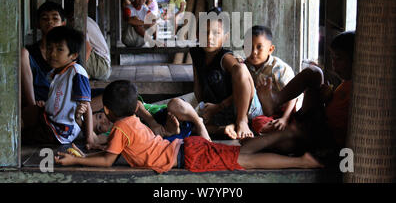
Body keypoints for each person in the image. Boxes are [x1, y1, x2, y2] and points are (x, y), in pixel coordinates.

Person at [55, 80, 323, 172]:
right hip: (186, 149)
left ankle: (302, 162)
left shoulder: (120, 130)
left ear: (109, 111)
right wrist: (83, 155)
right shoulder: (133, 121)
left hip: (189, 155)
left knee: (246, 161)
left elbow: (106, 161)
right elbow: (105, 154)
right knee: (241, 155)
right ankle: (288, 138)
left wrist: (75, 162)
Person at [246, 31, 355, 157]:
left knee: (315, 73)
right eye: (332, 58)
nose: (333, 64)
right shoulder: (345, 83)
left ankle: (286, 131)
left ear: (354, 58)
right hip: (316, 128)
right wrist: (326, 98)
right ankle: (276, 106)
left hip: (325, 137)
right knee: (313, 75)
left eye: (339, 58)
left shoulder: (358, 88)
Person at [22, 26, 102, 149]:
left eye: (59, 49)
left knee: (19, 132)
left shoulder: (77, 72)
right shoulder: (57, 73)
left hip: (60, 130)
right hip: (51, 122)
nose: (52, 54)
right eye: (49, 48)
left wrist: (89, 139)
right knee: (29, 112)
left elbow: (87, 107)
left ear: (73, 55)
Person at [190, 8, 264, 140]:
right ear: (196, 34)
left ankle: (241, 122)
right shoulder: (196, 53)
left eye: (216, 33)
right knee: (194, 127)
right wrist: (203, 108)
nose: (209, 37)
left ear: (225, 37)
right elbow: (198, 85)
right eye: (204, 32)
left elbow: (244, 82)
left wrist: (219, 107)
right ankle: (227, 128)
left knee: (241, 69)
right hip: (220, 110)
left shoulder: (225, 58)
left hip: (244, 107)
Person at [244, 25, 297, 134]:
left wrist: (285, 119)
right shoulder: (244, 67)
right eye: (249, 47)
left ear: (270, 49)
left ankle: (282, 130)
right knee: (258, 122)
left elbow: (294, 95)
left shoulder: (279, 69)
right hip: (263, 114)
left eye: (259, 47)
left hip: (283, 112)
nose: (254, 52)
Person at [91, 94, 211, 142]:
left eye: (99, 116)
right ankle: (173, 132)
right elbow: (96, 139)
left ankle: (198, 123)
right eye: (99, 126)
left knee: (175, 104)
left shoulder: (118, 111)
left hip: (169, 114)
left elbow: (137, 104)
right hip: (167, 137)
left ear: (105, 110)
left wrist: (152, 122)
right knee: (156, 140)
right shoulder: (112, 133)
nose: (103, 121)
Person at [21, 2, 66, 108]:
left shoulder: (70, 51)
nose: (50, 22)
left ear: (63, 23)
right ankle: (32, 109)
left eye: (55, 19)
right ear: (38, 24)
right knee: (22, 53)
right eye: (45, 19)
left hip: (61, 97)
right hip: (37, 97)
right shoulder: (30, 52)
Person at [64, 0, 112, 81]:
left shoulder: (79, 22)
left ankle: (81, 74)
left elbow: (87, 49)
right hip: (103, 66)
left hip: (101, 66)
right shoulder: (86, 19)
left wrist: (79, 73)